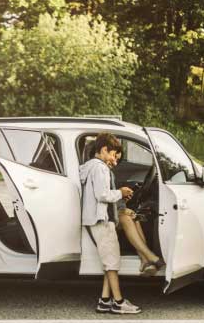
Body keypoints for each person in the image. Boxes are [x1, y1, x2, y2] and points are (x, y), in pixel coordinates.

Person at [80, 133, 140, 314]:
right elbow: (103, 194)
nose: (115, 160)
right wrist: (120, 193)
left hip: (94, 219)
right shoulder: (101, 169)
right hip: (102, 220)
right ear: (104, 150)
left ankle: (104, 300)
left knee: (109, 260)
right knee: (112, 263)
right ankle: (119, 302)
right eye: (114, 155)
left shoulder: (89, 166)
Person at [113, 151, 165, 276]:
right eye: (114, 157)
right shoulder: (99, 172)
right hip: (105, 216)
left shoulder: (106, 172)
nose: (115, 163)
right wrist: (120, 208)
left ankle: (145, 261)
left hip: (113, 210)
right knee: (125, 217)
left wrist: (122, 204)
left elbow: (112, 196)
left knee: (134, 217)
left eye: (117, 160)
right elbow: (101, 198)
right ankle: (151, 257)